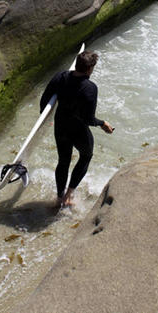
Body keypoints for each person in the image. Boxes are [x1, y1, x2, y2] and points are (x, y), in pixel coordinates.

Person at [40, 50, 114, 208]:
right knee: (86, 156)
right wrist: (102, 123)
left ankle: (59, 197)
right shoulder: (90, 88)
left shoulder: (60, 77)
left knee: (63, 161)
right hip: (78, 130)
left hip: (60, 126)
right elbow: (88, 119)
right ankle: (69, 194)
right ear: (89, 69)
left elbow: (45, 99)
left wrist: (46, 120)